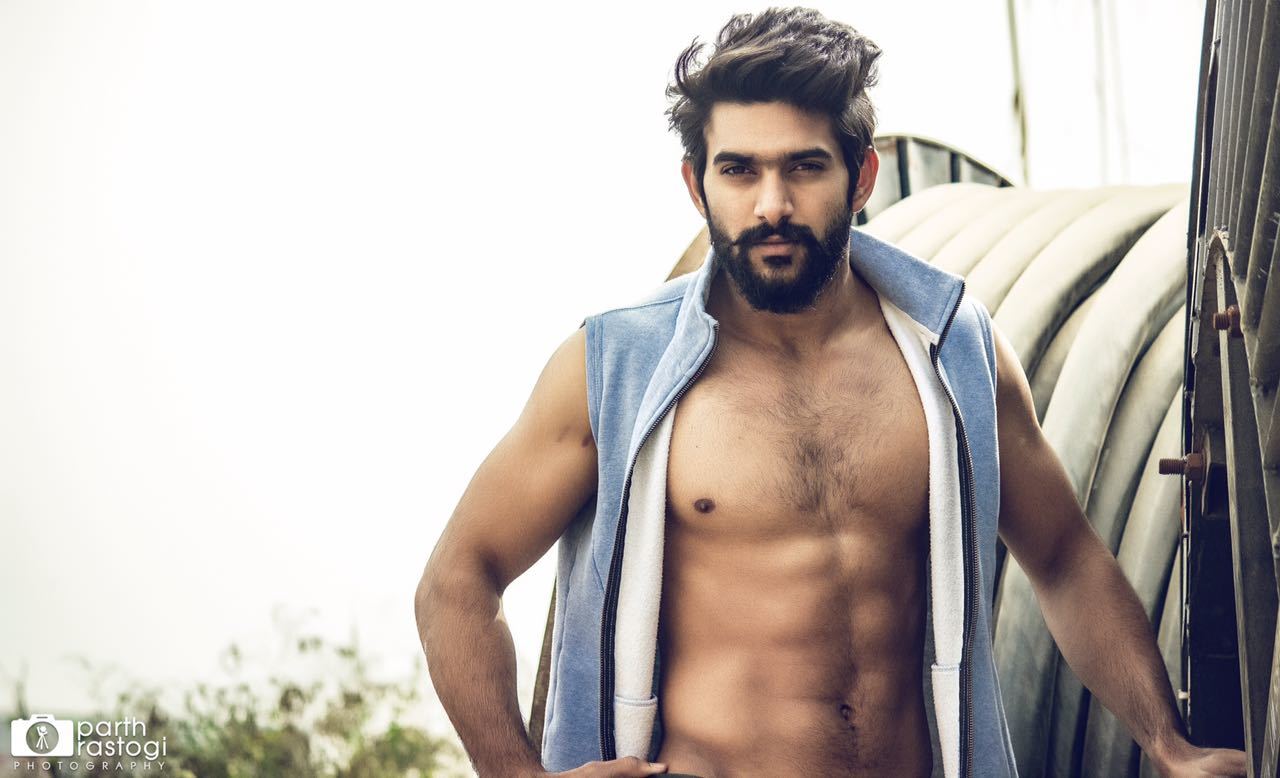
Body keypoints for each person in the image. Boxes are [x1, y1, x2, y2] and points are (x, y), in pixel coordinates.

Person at [414, 7, 1248, 777]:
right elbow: (457, 581)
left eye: (804, 167)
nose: (771, 205)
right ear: (697, 185)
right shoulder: (613, 369)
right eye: (739, 171)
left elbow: (1065, 558)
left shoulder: (953, 353)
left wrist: (1168, 745)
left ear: (861, 176)